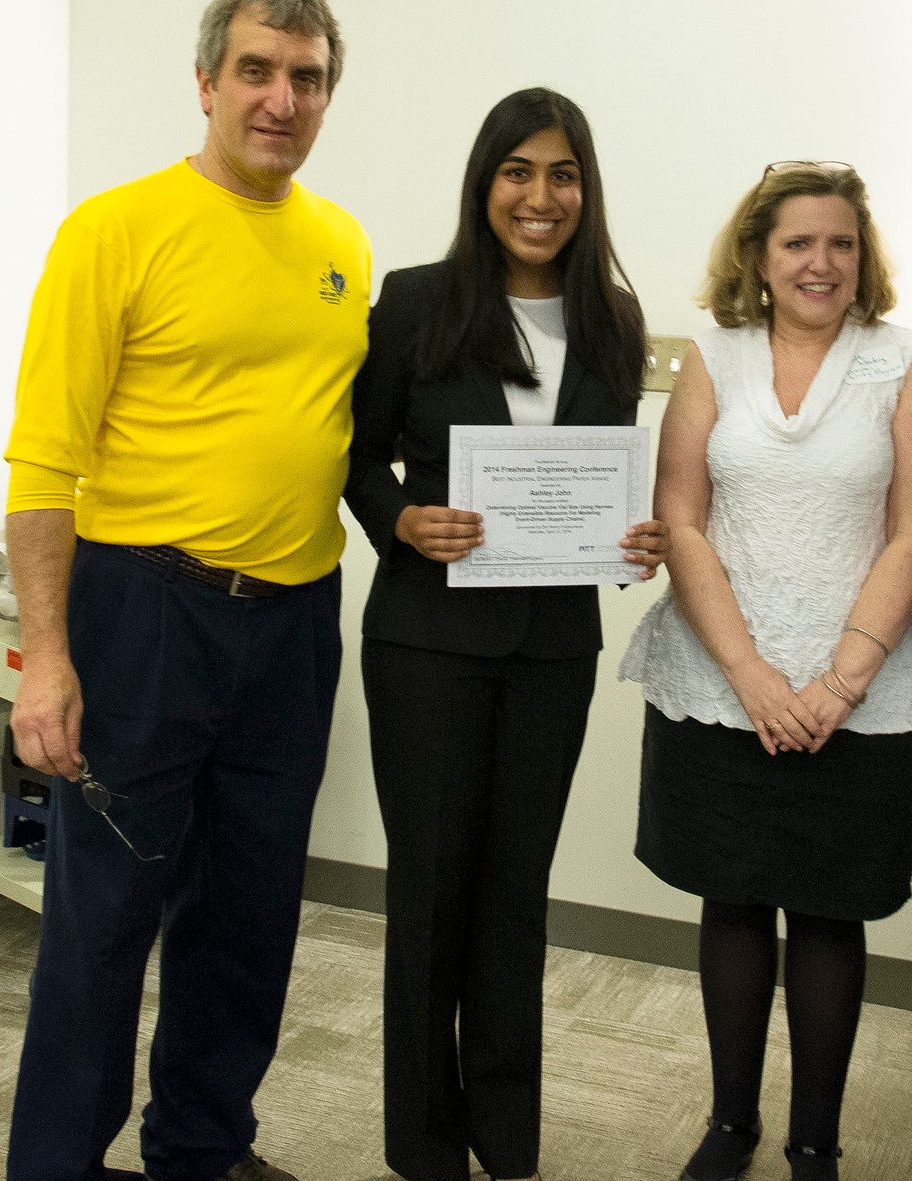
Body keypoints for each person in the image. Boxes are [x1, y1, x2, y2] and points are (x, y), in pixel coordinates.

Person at [0, 0, 369, 1181]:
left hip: (294, 622)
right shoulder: (115, 228)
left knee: (249, 911)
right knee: (104, 917)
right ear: (205, 80)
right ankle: (56, 1163)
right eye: (257, 71)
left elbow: (333, 432)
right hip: (143, 613)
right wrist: (47, 661)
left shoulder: (339, 243)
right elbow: (44, 464)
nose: (281, 98)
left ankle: (203, 1147)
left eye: (305, 77)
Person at [344, 87, 667, 1181]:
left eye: (561, 174)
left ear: (587, 191)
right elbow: (357, 457)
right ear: (484, 184)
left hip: (548, 649)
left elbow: (602, 478)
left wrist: (635, 536)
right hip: (426, 643)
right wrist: (399, 520)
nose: (539, 196)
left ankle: (508, 1136)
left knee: (513, 894)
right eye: (517, 172)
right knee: (429, 892)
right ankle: (426, 1149)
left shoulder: (615, 323)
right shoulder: (417, 301)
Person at [620, 163, 912, 1181]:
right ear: (758, 258)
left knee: (825, 911)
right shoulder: (713, 357)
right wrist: (752, 677)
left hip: (862, 685)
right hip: (720, 680)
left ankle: (814, 1140)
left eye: (840, 244)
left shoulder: (900, 359)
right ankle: (729, 1123)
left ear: (863, 259)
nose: (820, 262)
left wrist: (837, 684)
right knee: (731, 900)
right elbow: (680, 518)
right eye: (798, 243)